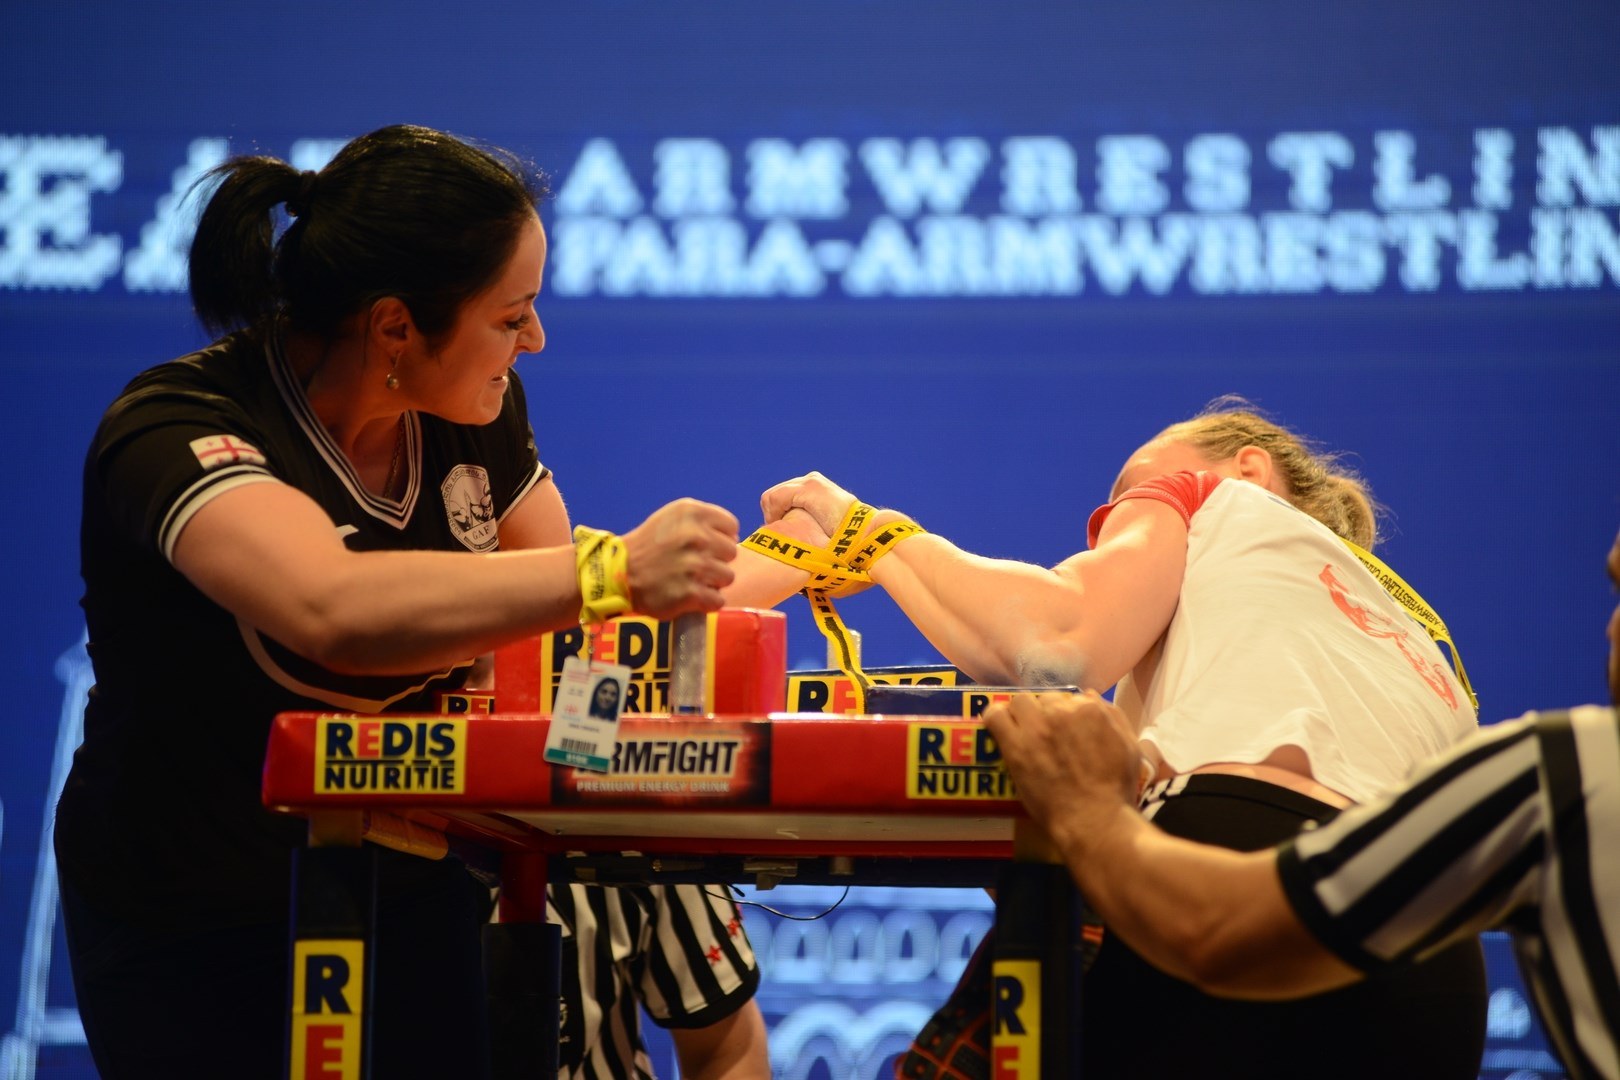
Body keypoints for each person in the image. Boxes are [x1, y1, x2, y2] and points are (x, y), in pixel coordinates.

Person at [57, 124, 800, 1078]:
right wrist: (608, 568)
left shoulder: (478, 415)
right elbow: (333, 608)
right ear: (397, 326)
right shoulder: (174, 427)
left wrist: (822, 549)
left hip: (413, 882)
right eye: (511, 315)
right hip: (191, 910)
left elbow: (585, 638)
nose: (535, 339)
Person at [763, 402, 1489, 1079]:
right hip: (1435, 971)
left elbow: (1056, 640)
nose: (1105, 530)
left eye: (1123, 500)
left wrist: (861, 527)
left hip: (1233, 871)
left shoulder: (1215, 498)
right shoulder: (1430, 644)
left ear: (1248, 470)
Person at [982, 523, 1620, 1080]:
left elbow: (1058, 637)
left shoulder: (1570, 766)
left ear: (1251, 470)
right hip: (1423, 983)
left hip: (1237, 895)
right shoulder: (1441, 670)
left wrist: (1086, 812)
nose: (1611, 623)